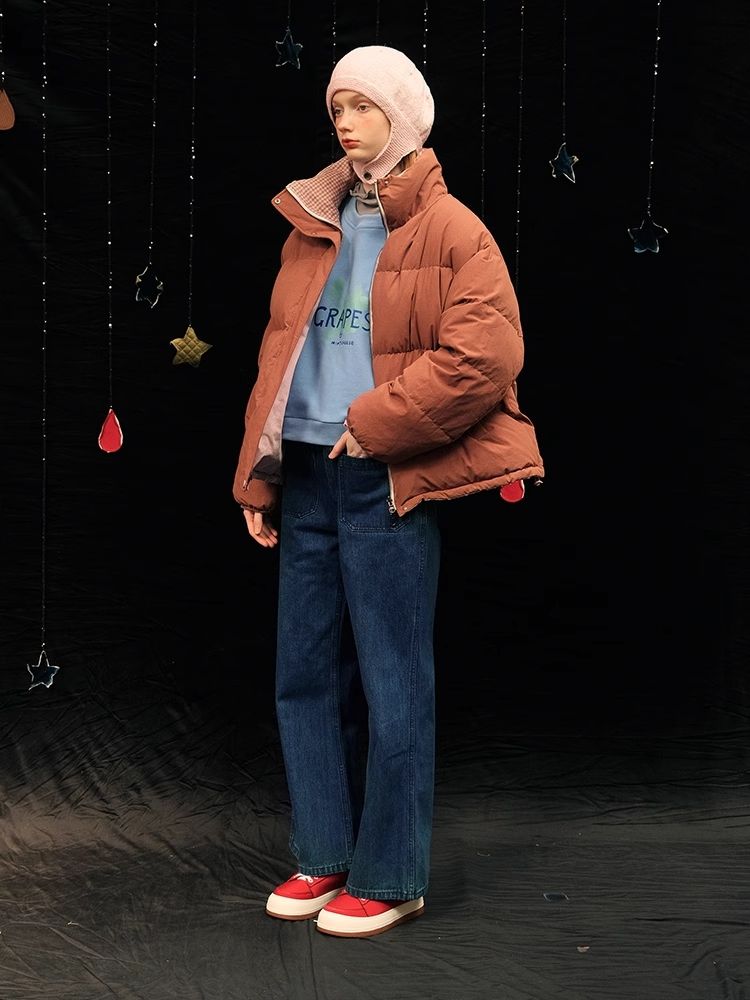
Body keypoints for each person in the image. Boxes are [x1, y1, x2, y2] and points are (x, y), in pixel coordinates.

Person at [232, 45, 544, 939]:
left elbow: (487, 356)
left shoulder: (451, 230)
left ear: (403, 115)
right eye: (337, 106)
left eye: (363, 105)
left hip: (383, 478)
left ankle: (391, 874)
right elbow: (278, 358)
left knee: (393, 680)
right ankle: (324, 853)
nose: (345, 121)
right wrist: (258, 473)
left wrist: (377, 425)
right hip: (305, 474)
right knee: (303, 675)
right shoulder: (312, 220)